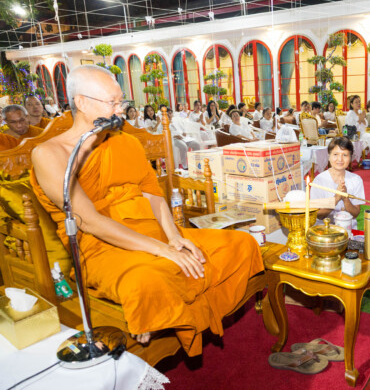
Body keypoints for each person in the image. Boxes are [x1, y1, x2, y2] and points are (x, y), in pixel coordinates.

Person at [30, 64, 264, 354]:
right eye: (112, 102)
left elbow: (153, 195)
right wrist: (162, 250)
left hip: (153, 230)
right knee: (147, 282)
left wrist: (173, 238)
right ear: (82, 102)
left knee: (240, 243)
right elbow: (89, 221)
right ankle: (154, 313)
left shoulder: (126, 142)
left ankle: (176, 309)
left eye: (121, 101)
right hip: (101, 246)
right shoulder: (49, 154)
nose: (120, 110)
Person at [310, 137, 364, 229]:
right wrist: (336, 198)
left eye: (345, 155)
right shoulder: (319, 180)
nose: (340, 159)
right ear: (329, 156)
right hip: (324, 230)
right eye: (335, 154)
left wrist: (345, 198)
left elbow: (355, 214)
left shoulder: (356, 180)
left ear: (350, 157)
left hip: (348, 229)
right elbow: (317, 215)